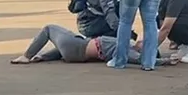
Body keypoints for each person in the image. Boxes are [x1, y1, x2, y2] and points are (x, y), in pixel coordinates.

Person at [11, 24, 175, 66]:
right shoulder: (128, 49)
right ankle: (42, 57)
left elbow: (142, 61)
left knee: (49, 29)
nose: (141, 41)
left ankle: (26, 56)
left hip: (77, 47)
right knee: (68, 40)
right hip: (76, 50)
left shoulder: (128, 51)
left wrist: (164, 62)